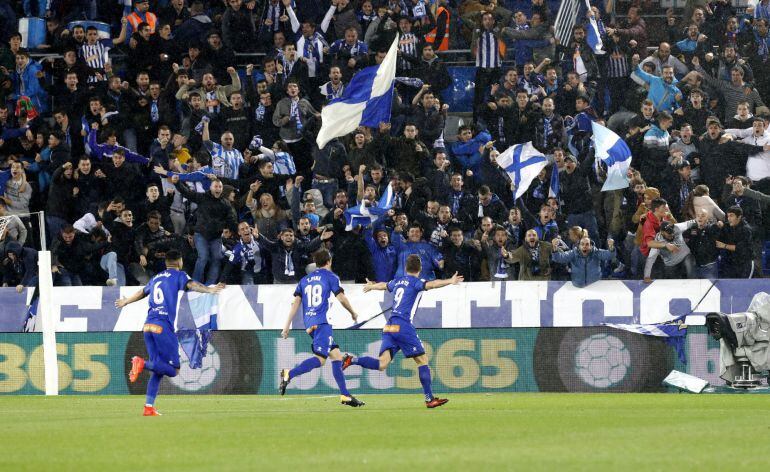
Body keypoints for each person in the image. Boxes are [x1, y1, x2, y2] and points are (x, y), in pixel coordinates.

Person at [115, 250, 224, 416]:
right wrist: (210, 290)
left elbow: (142, 292)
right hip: (163, 328)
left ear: (166, 262)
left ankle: (148, 407)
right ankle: (141, 363)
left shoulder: (157, 277)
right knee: (174, 370)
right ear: (179, 262)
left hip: (148, 326)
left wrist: (125, 301)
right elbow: (192, 285)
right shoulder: (179, 275)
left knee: (158, 369)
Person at [343, 254, 461, 408]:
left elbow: (384, 285)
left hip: (389, 325)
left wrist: (371, 286)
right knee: (422, 360)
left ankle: (351, 360)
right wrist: (450, 281)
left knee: (382, 364)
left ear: (406, 268)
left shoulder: (398, 281)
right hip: (403, 325)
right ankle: (429, 398)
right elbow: (432, 284)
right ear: (420, 268)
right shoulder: (416, 282)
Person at [279, 249, 363, 407]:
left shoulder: (304, 280)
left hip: (310, 323)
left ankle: (345, 395)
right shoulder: (331, 277)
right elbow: (341, 297)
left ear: (315, 263)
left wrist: (286, 326)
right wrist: (352, 312)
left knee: (336, 356)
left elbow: (295, 303)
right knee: (321, 360)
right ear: (329, 261)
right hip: (322, 323)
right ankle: (289, 374)